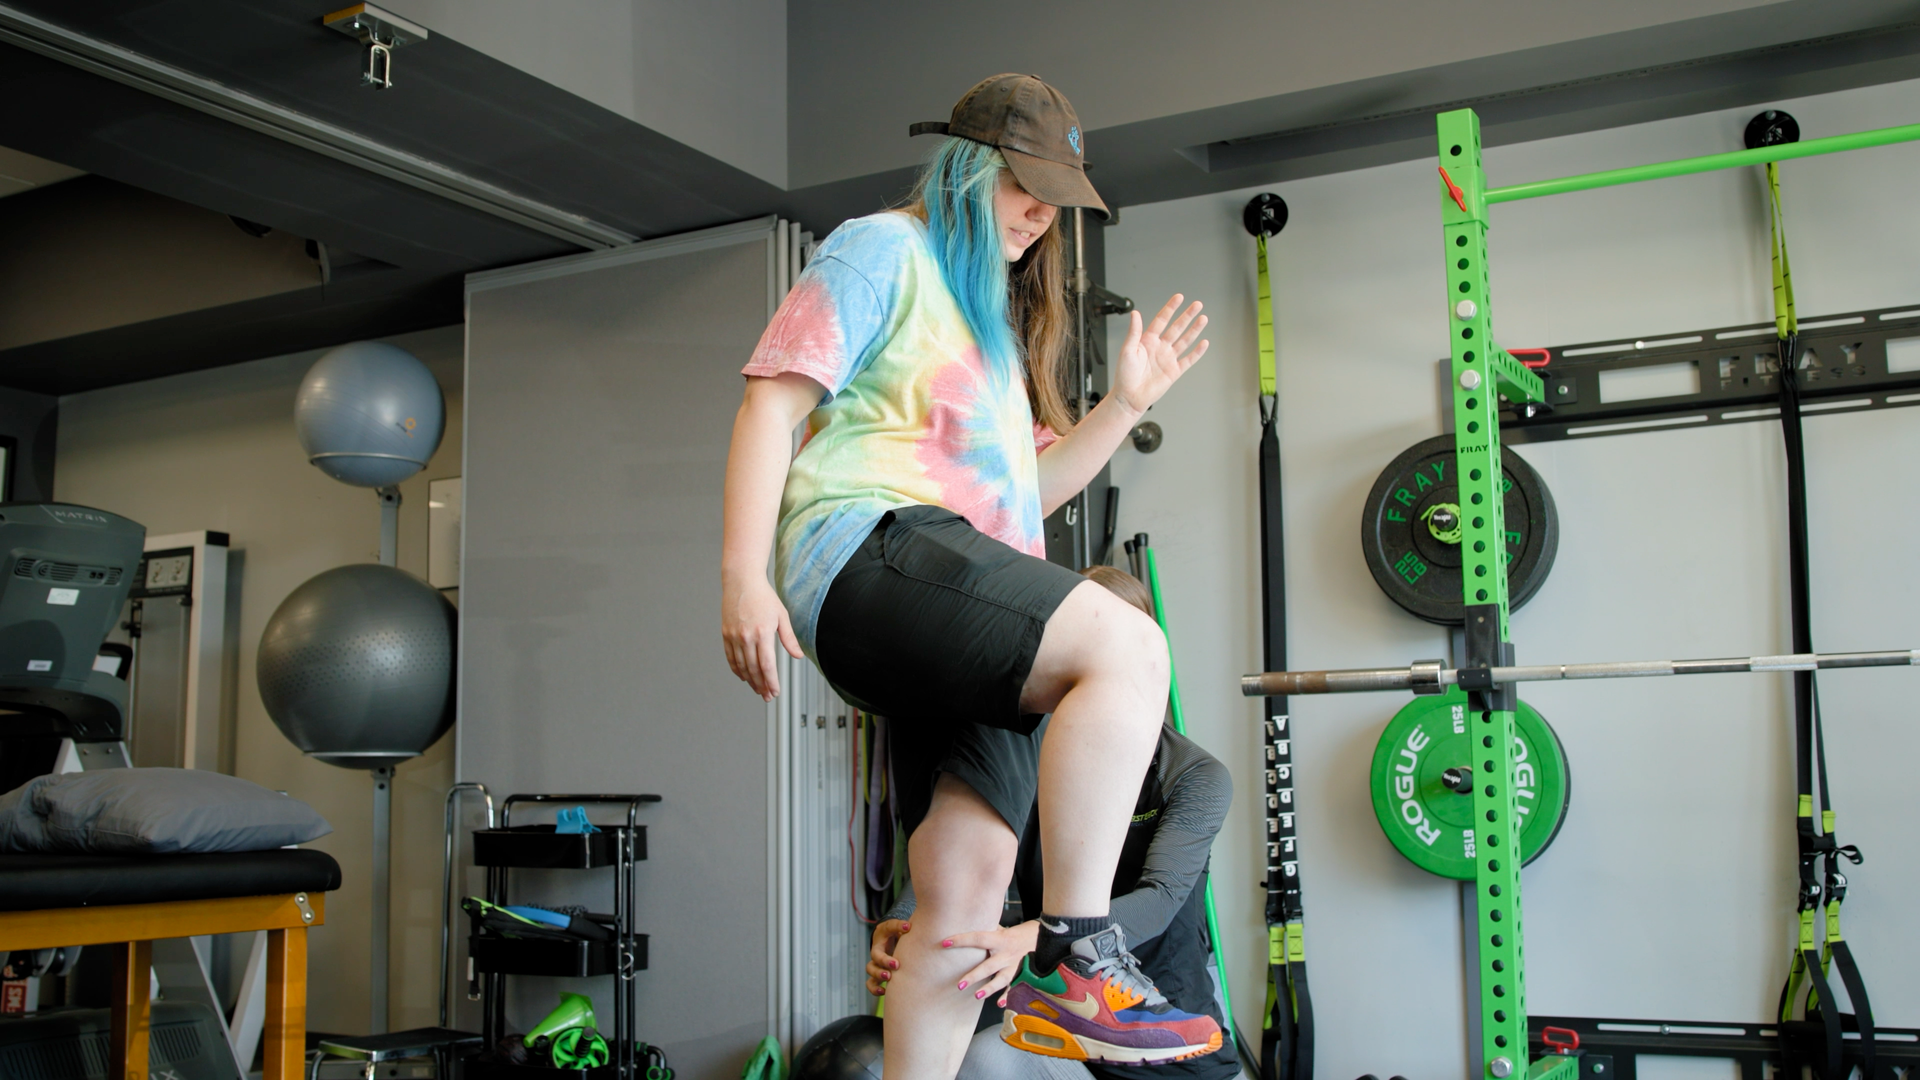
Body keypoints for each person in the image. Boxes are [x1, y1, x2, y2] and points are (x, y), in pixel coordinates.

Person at [720, 73, 1217, 1078]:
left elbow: (1026, 494)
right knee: (1129, 647)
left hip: (950, 591)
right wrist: (741, 572)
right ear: (967, 166)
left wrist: (1122, 406)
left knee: (965, 891)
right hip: (868, 549)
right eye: (1025, 187)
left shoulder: (990, 321)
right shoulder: (882, 248)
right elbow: (770, 406)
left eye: (1057, 200)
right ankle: (1080, 953)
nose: (1042, 215)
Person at [867, 567, 1238, 1078]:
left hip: (1161, 1025)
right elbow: (966, 853)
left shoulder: (1195, 776)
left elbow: (1161, 896)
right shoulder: (1030, 757)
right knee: (984, 1063)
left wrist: (1043, 937)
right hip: (1060, 1022)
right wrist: (909, 919)